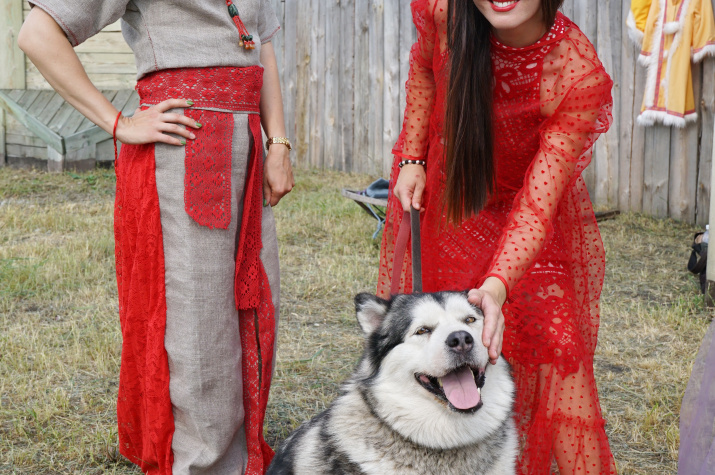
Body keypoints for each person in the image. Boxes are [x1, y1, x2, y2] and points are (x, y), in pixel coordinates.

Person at [18, 0, 293, 473]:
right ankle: (200, 464)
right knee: (197, 323)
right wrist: (120, 123)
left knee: (252, 308)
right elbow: (37, 34)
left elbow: (261, 45)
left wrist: (279, 143)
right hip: (183, 151)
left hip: (246, 148)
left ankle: (238, 453)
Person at [377, 0, 617, 473]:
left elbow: (536, 207)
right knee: (452, 354)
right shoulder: (445, 13)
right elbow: (424, 70)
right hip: (455, 206)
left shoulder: (576, 75)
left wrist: (496, 285)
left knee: (559, 352)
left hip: (528, 219)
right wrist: (412, 157)